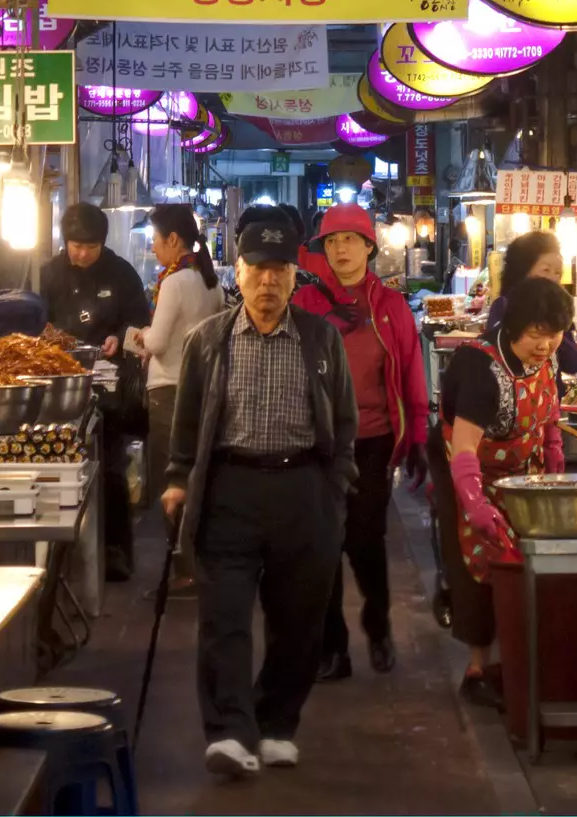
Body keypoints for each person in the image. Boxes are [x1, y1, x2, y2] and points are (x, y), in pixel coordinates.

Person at [162, 206, 358, 780]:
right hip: (230, 490)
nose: (268, 280)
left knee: (300, 622)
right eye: (257, 269)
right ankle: (229, 732)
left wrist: (335, 488)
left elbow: (343, 423)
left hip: (304, 491)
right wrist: (178, 480)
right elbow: (188, 420)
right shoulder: (208, 340)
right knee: (223, 618)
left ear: (295, 277)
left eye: (280, 270)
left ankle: (275, 725)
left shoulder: (321, 340)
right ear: (238, 272)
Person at [292, 203, 428, 679]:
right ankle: (333, 648)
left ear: (369, 247)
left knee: (365, 539)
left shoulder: (390, 308)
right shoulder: (304, 305)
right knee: (322, 545)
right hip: (316, 442)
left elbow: (412, 374)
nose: (340, 249)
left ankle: (378, 623)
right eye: (331, 242)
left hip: (373, 439)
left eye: (350, 240)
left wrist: (419, 439)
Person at [428, 276, 574, 707]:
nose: (545, 345)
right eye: (535, 335)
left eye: (554, 335)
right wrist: (474, 503)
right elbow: (465, 448)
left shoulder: (547, 358)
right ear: (512, 327)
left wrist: (553, 449)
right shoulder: (481, 369)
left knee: (521, 555)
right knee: (479, 559)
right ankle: (477, 668)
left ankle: (518, 658)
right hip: (466, 466)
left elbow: (549, 411)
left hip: (519, 468)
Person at [40, 202, 152, 581]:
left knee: (110, 468)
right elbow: (35, 321)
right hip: (59, 385)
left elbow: (141, 319)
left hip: (110, 387)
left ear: (103, 243)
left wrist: (118, 338)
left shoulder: (121, 273)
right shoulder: (49, 274)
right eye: (75, 245)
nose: (82, 253)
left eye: (90, 246)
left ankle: (116, 552)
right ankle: (61, 559)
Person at [140, 203, 225, 558]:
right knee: (198, 476)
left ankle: (182, 567)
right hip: (202, 389)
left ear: (173, 239)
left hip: (168, 394)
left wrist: (138, 335)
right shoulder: (211, 280)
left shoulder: (174, 282)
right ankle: (196, 560)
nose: (153, 248)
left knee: (171, 481)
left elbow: (157, 343)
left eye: (156, 240)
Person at [483, 230, 577, 376]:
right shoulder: (505, 306)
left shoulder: (556, 311)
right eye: (546, 270)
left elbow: (574, 362)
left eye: (557, 272)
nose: (553, 279)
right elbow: (494, 356)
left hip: (549, 396)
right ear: (521, 271)